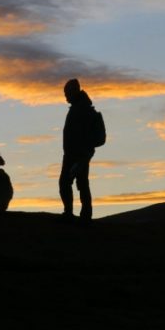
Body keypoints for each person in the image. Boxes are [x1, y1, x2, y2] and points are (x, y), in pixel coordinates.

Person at [59, 78, 95, 223]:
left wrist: (82, 155)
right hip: (77, 154)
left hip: (77, 155)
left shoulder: (81, 109)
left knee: (68, 182)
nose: (65, 96)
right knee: (81, 183)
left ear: (73, 92)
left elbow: (82, 134)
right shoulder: (80, 107)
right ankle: (84, 214)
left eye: (67, 93)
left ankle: (75, 213)